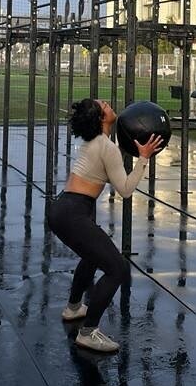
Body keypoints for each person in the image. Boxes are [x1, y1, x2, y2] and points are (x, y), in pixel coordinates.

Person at [47, 98, 163, 353]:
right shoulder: (106, 147)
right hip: (73, 213)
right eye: (105, 106)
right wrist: (143, 158)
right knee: (116, 269)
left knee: (91, 257)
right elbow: (125, 189)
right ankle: (88, 332)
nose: (109, 105)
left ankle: (74, 307)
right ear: (101, 118)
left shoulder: (95, 142)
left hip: (65, 209)